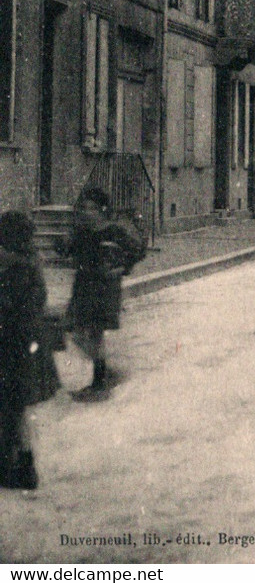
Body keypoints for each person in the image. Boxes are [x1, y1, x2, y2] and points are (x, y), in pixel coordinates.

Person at [61, 187, 146, 400]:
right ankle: (105, 372)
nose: (87, 212)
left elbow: (138, 250)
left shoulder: (113, 231)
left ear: (101, 211)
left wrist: (123, 267)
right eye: (84, 208)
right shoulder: (81, 233)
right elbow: (64, 250)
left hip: (104, 289)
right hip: (83, 287)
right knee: (77, 333)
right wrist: (64, 243)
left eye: (92, 208)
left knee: (95, 333)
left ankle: (99, 382)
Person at [0, 211, 60, 490]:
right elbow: (39, 299)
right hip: (29, 343)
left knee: (12, 407)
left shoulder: (10, 266)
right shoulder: (31, 260)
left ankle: (19, 468)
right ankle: (22, 464)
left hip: (12, 345)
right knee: (19, 408)